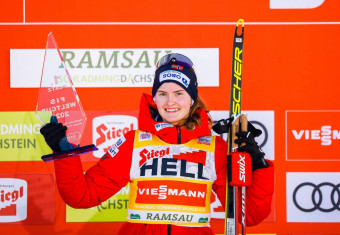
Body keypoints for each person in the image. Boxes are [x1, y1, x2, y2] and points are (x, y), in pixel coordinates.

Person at [40, 53, 274, 235]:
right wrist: (63, 152)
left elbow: (246, 217)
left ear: (192, 98)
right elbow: (82, 196)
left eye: (179, 93)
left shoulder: (214, 147)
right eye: (162, 93)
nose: (170, 101)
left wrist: (259, 165)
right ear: (154, 98)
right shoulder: (134, 142)